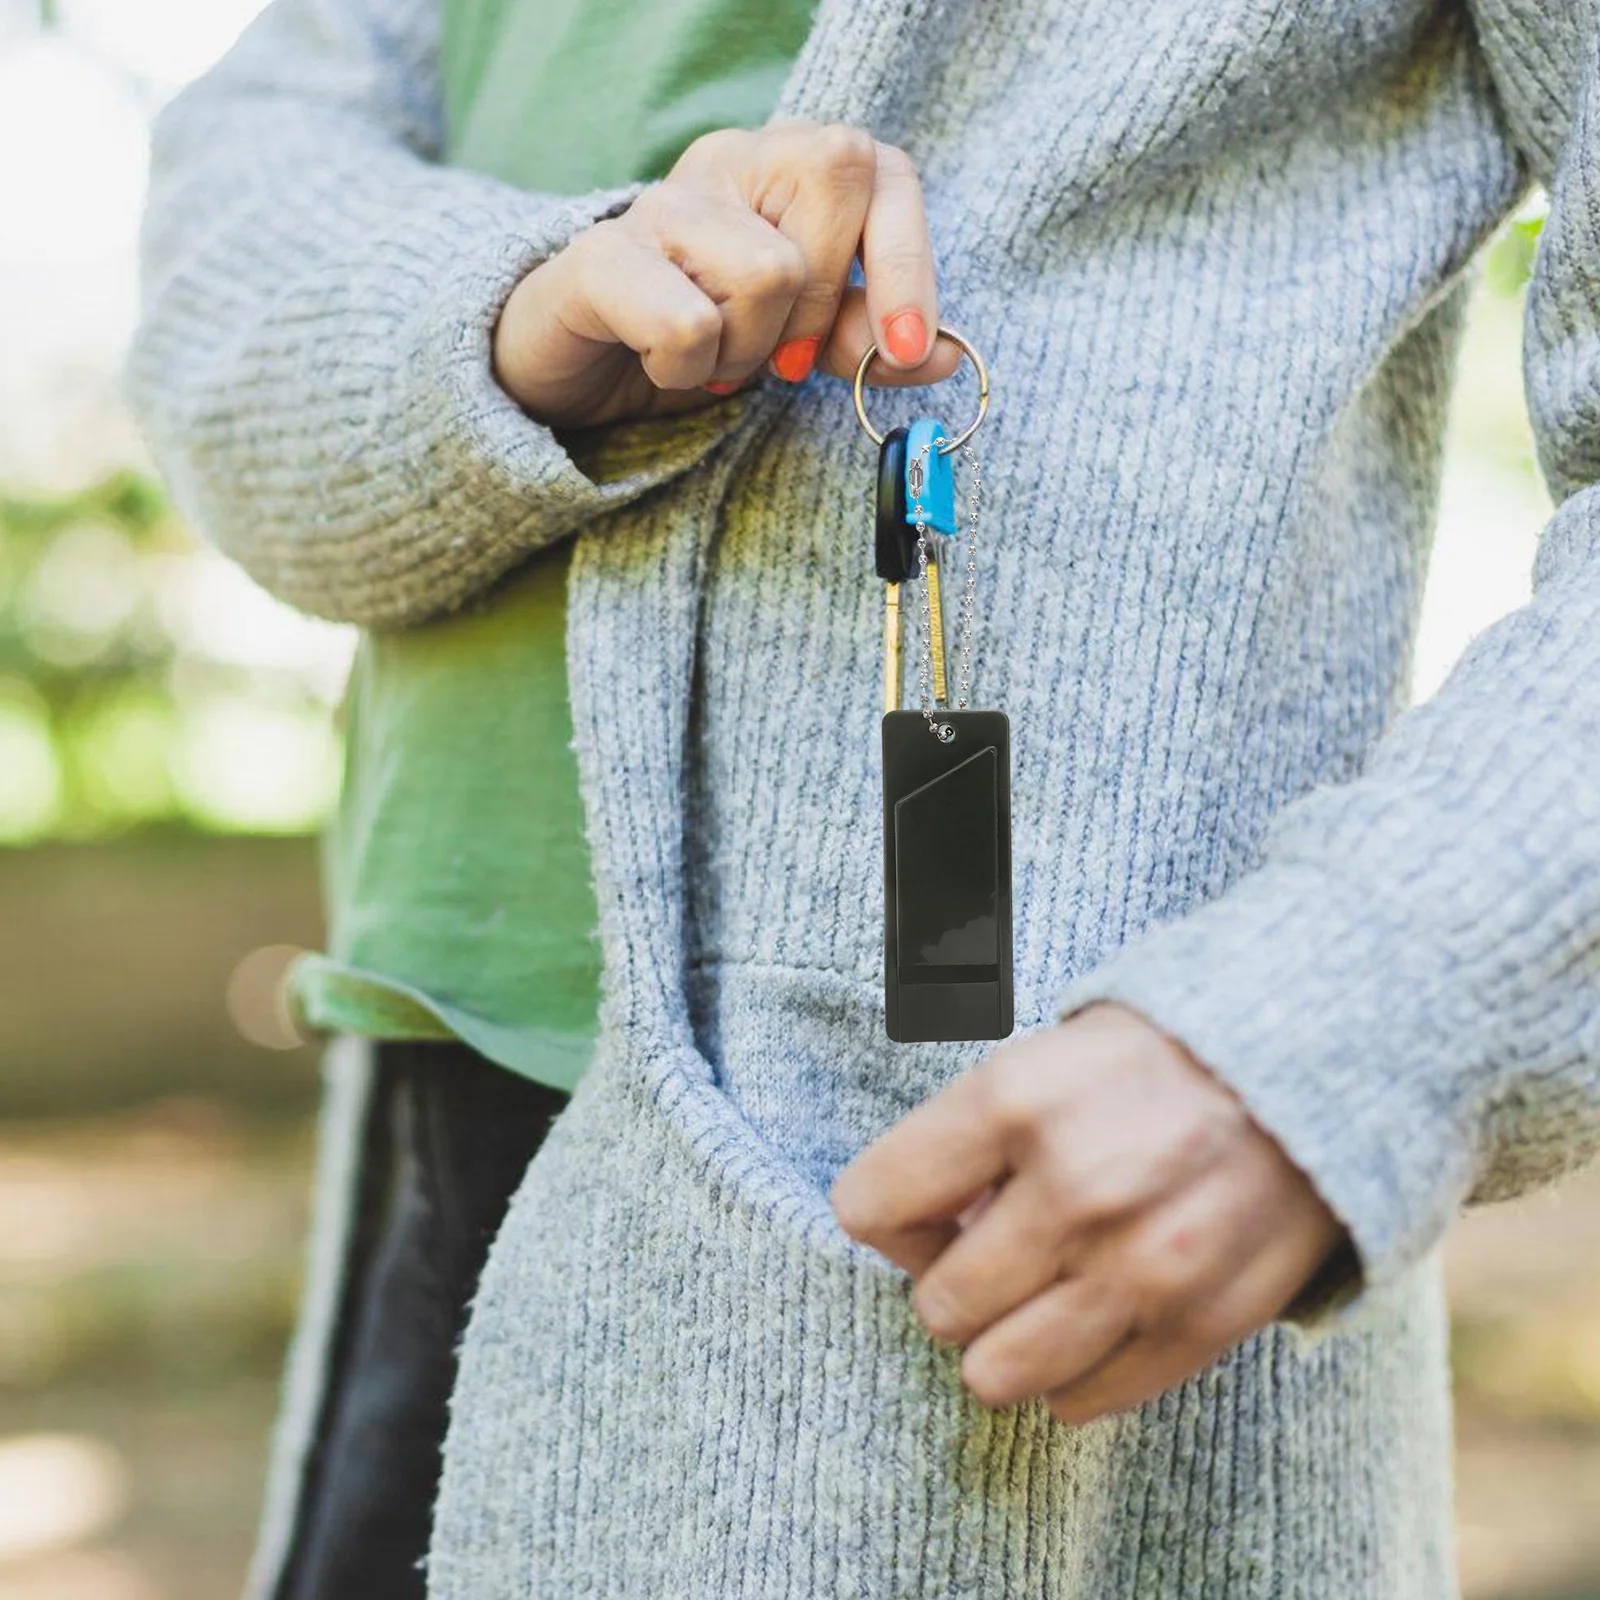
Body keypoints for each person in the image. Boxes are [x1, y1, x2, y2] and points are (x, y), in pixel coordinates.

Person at [126, 0, 1600, 1593]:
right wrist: (510, 307)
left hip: (1049, 1169)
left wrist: (1359, 1013)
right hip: (432, 1088)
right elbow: (246, 184)